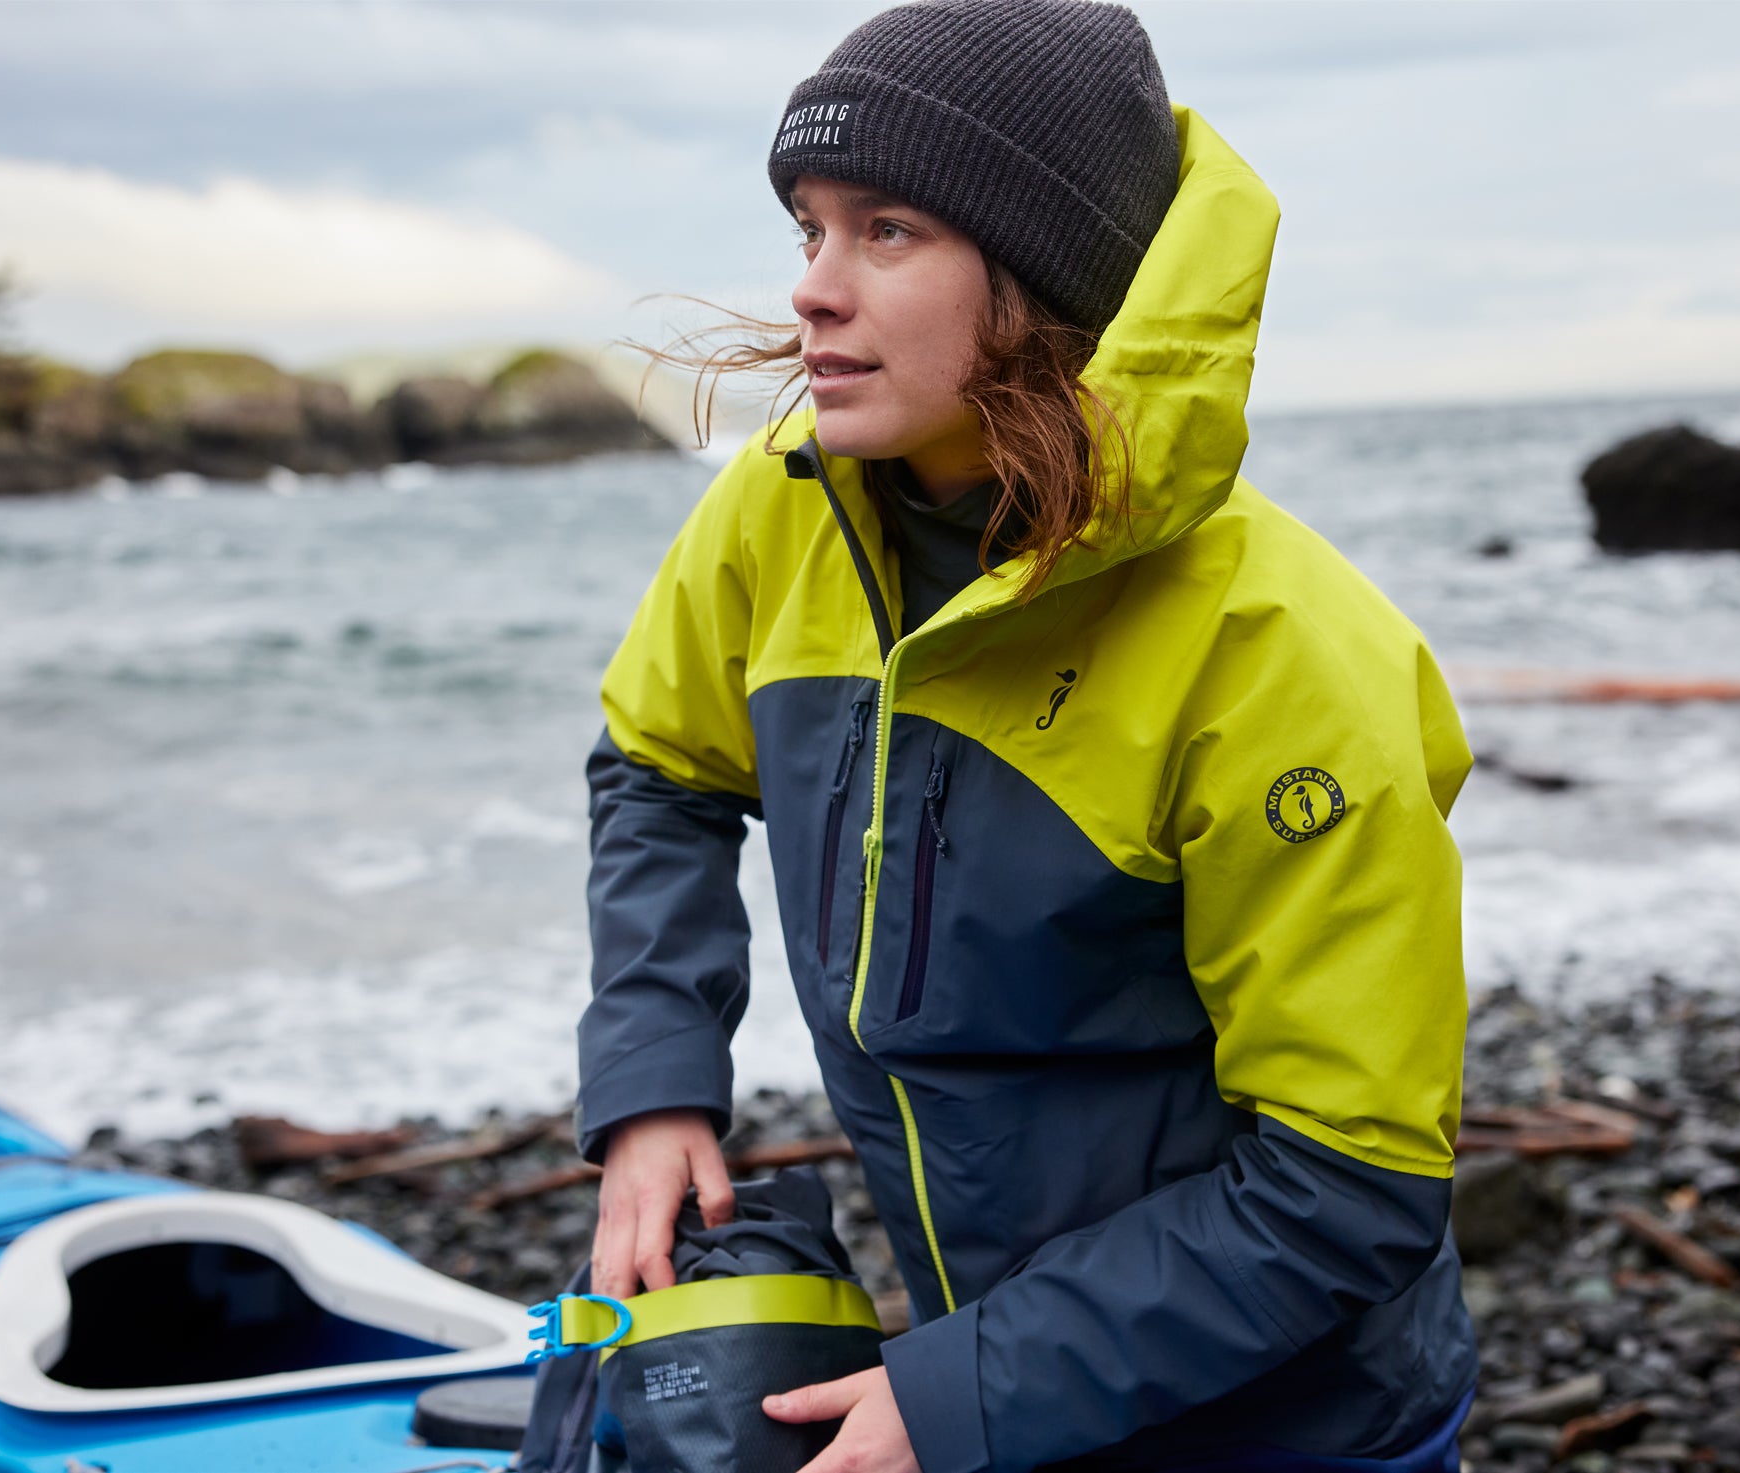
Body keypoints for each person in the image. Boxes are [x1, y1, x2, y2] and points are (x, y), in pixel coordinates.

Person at [574, 2, 1478, 1470]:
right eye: (808, 228)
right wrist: (652, 1075)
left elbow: (1349, 1180)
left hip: (1289, 1423)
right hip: (981, 1361)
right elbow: (658, 770)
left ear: (1049, 280)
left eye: (886, 231)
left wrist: (956, 1396)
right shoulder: (778, 507)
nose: (812, 289)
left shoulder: (1284, 655)